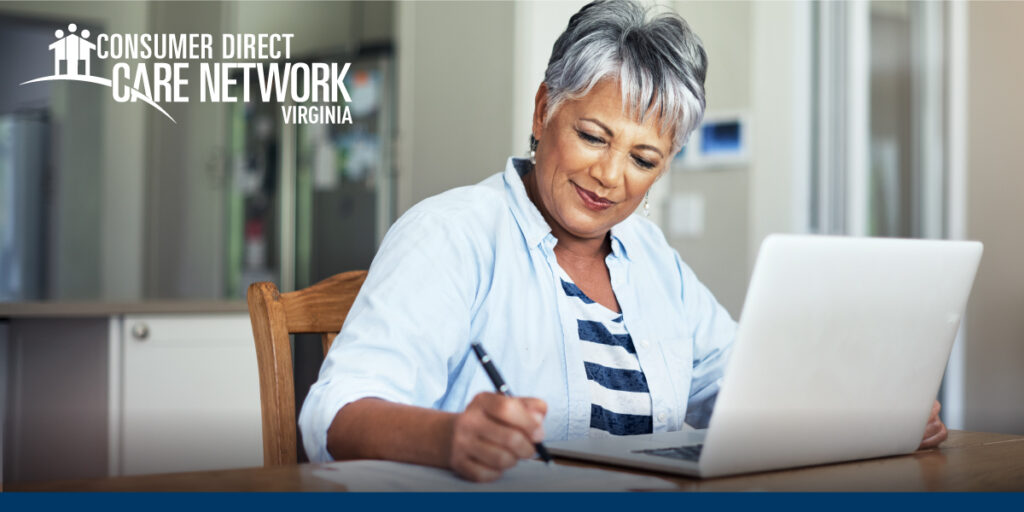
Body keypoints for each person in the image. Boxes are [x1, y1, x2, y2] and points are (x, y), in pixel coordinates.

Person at [298, 0, 947, 482]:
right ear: (542, 109)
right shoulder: (453, 234)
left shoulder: (652, 258)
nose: (610, 178)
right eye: (593, 136)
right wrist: (448, 438)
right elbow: (334, 415)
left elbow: (739, 389)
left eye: (644, 158)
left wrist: (870, 414)